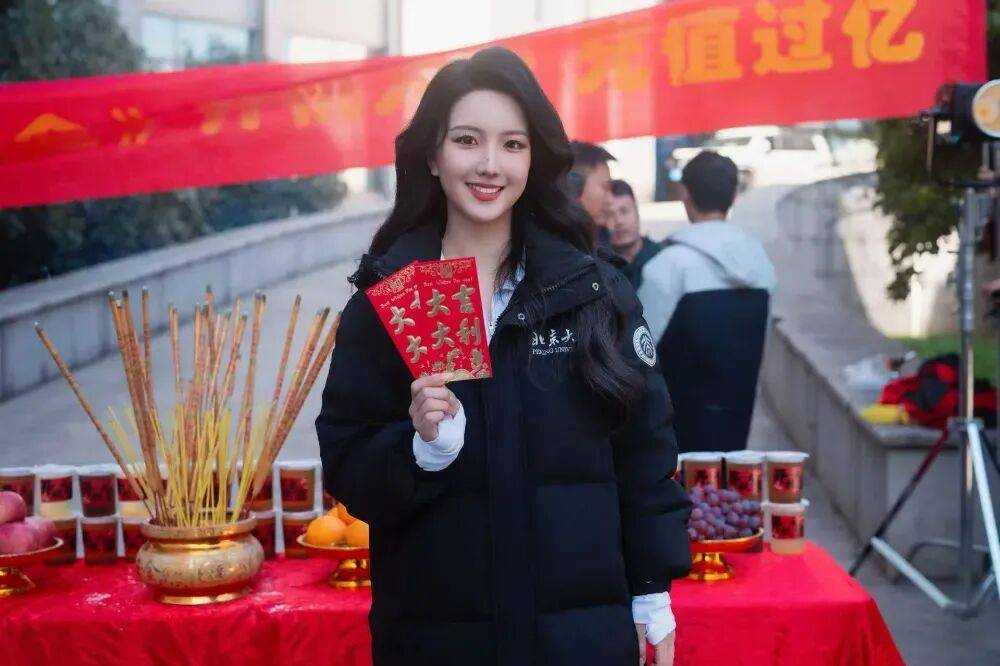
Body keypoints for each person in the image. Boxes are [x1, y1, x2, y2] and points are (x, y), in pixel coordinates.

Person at [316, 47, 690, 665]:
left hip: (579, 642)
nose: (490, 165)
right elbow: (347, 463)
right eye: (467, 140)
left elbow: (645, 451)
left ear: (534, 158)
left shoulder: (592, 292)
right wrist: (420, 450)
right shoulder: (396, 299)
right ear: (432, 155)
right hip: (437, 642)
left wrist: (652, 590)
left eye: (513, 144)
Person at [637, 151, 775, 453]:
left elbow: (636, 357)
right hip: (738, 430)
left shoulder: (669, 266)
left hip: (673, 441)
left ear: (684, 193)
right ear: (734, 196)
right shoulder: (762, 265)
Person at [608, 179, 662, 289]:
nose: (619, 221)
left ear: (637, 211)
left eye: (624, 211)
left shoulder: (661, 257)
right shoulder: (599, 269)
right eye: (609, 214)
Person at [570, 140, 616, 253]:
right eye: (605, 187)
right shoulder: (557, 248)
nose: (610, 200)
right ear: (574, 185)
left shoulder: (602, 237)